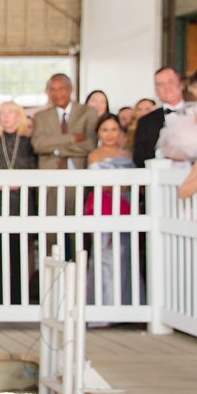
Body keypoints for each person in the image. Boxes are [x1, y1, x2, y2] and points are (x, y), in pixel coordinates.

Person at [0, 101, 38, 306]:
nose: (6, 117)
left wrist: (20, 181)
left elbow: (35, 167)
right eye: (2, 113)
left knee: (18, 253)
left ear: (19, 115)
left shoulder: (28, 141)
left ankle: (17, 299)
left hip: (20, 203)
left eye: (10, 113)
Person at [84, 115, 137, 312]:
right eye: (105, 129)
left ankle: (124, 306)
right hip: (104, 208)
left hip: (126, 207)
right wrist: (122, 185)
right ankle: (103, 308)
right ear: (98, 133)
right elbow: (101, 183)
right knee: (105, 255)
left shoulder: (128, 154)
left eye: (114, 129)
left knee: (125, 254)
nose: (109, 134)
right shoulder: (95, 155)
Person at [32, 74, 98, 171]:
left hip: (80, 175)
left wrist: (56, 151)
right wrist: (72, 138)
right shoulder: (40, 116)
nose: (57, 93)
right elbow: (38, 145)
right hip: (49, 177)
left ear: (70, 89)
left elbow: (90, 144)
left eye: (61, 88)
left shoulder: (88, 112)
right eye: (52, 89)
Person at [131, 68, 184, 167]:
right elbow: (139, 158)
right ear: (156, 90)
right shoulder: (145, 121)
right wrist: (162, 153)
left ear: (181, 84)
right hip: (159, 179)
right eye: (161, 84)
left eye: (170, 81)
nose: (166, 87)